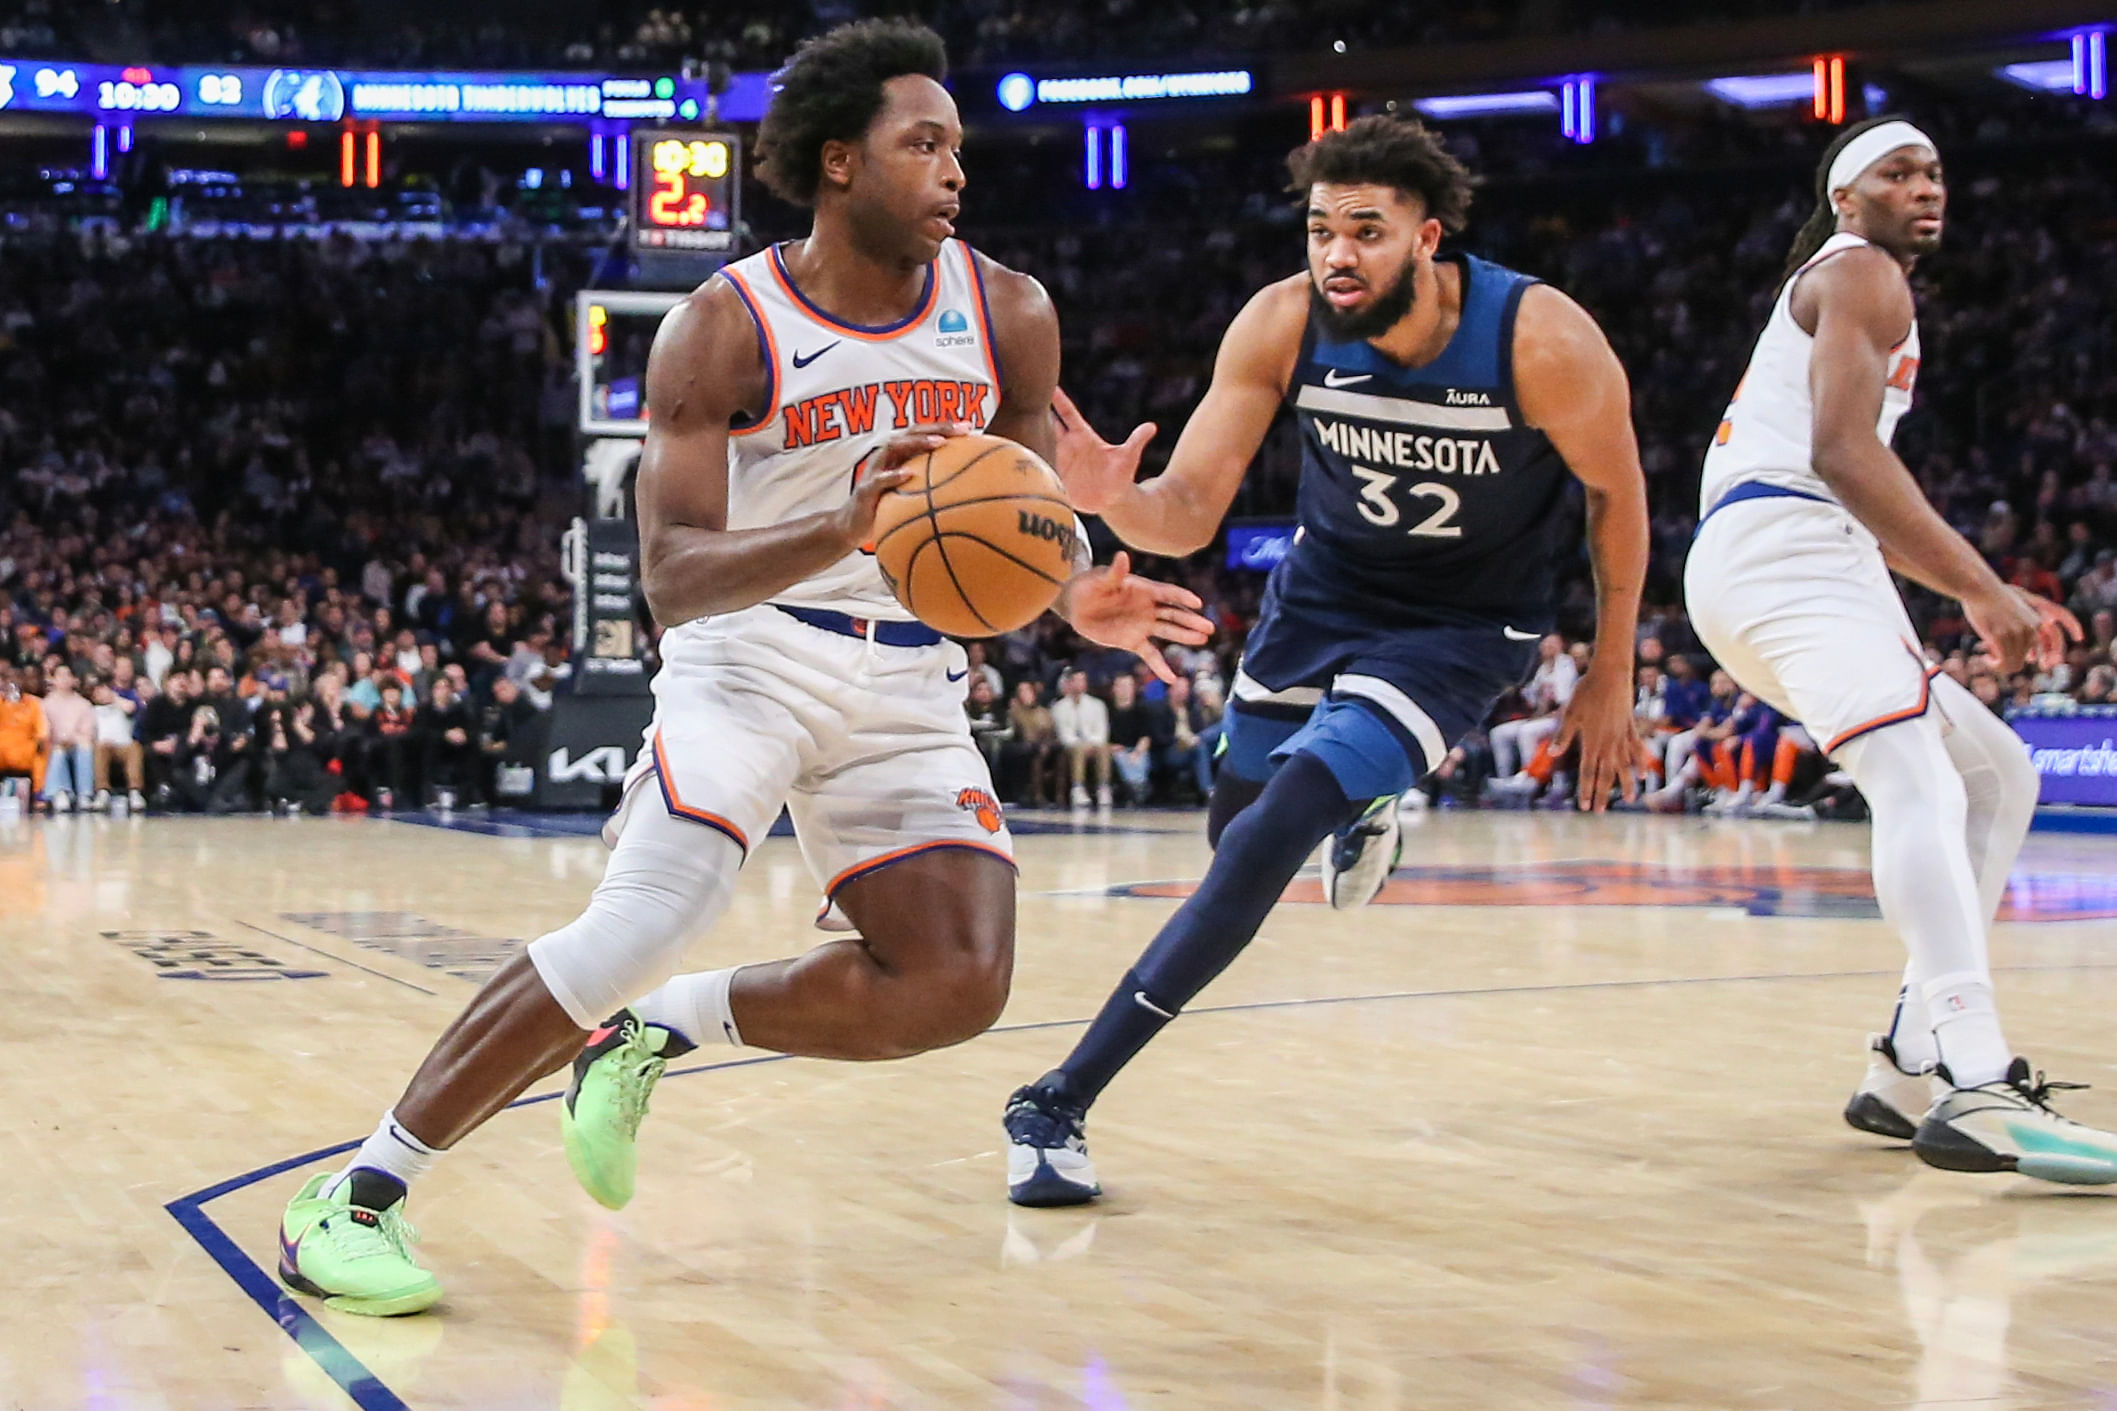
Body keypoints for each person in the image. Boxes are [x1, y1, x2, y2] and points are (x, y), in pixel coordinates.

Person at [274, 17, 1210, 1318]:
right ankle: (353, 1192)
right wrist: (843, 520)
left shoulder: (1008, 312)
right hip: (748, 654)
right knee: (644, 911)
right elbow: (674, 579)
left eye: (959, 146)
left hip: (907, 672)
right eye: (922, 143)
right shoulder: (723, 328)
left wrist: (1075, 595)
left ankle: (659, 1027)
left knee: (955, 980)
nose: (955, 170)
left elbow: (1017, 532)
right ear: (838, 161)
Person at [1001, 114, 1648, 1205]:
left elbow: (1614, 495)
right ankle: (1364, 801)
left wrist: (1609, 670)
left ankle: (1056, 1098)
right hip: (1323, 596)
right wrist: (1110, 501)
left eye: (1365, 229)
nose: (1336, 253)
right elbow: (1190, 509)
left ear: (1426, 238)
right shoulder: (1279, 325)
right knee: (1230, 834)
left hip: (1459, 625)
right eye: (1319, 229)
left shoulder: (1537, 339)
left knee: (1274, 828)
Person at [1683, 117, 2117, 1181]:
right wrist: (1978, 587)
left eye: (1932, 170)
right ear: (1845, 197)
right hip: (1785, 546)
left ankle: (1903, 1061)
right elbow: (1839, 456)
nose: (1924, 186)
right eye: (1895, 171)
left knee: (1994, 774)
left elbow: (1850, 479)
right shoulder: (1862, 272)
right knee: (1915, 778)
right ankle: (1975, 1081)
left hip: (1786, 552)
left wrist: (1969, 583)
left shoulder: (1849, 285)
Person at [37, 663, 96, 814]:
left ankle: (84, 794)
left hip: (77, 743)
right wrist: (59, 740)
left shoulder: (84, 704)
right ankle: (59, 793)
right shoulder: (45, 704)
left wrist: (71, 738)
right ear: (53, 680)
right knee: (58, 751)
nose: (64, 679)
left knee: (85, 747)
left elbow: (88, 732)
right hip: (54, 744)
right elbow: (44, 729)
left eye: (67, 675)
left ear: (74, 680)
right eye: (60, 675)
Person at [1052, 667, 1111, 808]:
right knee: (1078, 749)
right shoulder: (1059, 707)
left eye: (1083, 680)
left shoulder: (1097, 705)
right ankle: (1078, 788)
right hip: (1071, 746)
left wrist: (1091, 743)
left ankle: (1103, 788)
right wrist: (1082, 744)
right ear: (1069, 683)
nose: (1080, 684)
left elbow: (1102, 731)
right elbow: (1064, 734)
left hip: (1093, 743)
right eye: (1077, 680)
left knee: (1103, 748)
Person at [998, 679, 1059, 805]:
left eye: (1028, 690)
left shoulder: (1044, 712)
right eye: (1022, 691)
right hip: (1022, 747)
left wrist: (1046, 743)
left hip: (1047, 745)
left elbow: (1052, 731)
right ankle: (1038, 795)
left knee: (1060, 752)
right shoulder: (1015, 712)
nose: (1026, 694)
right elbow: (1025, 735)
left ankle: (1060, 796)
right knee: (1035, 753)